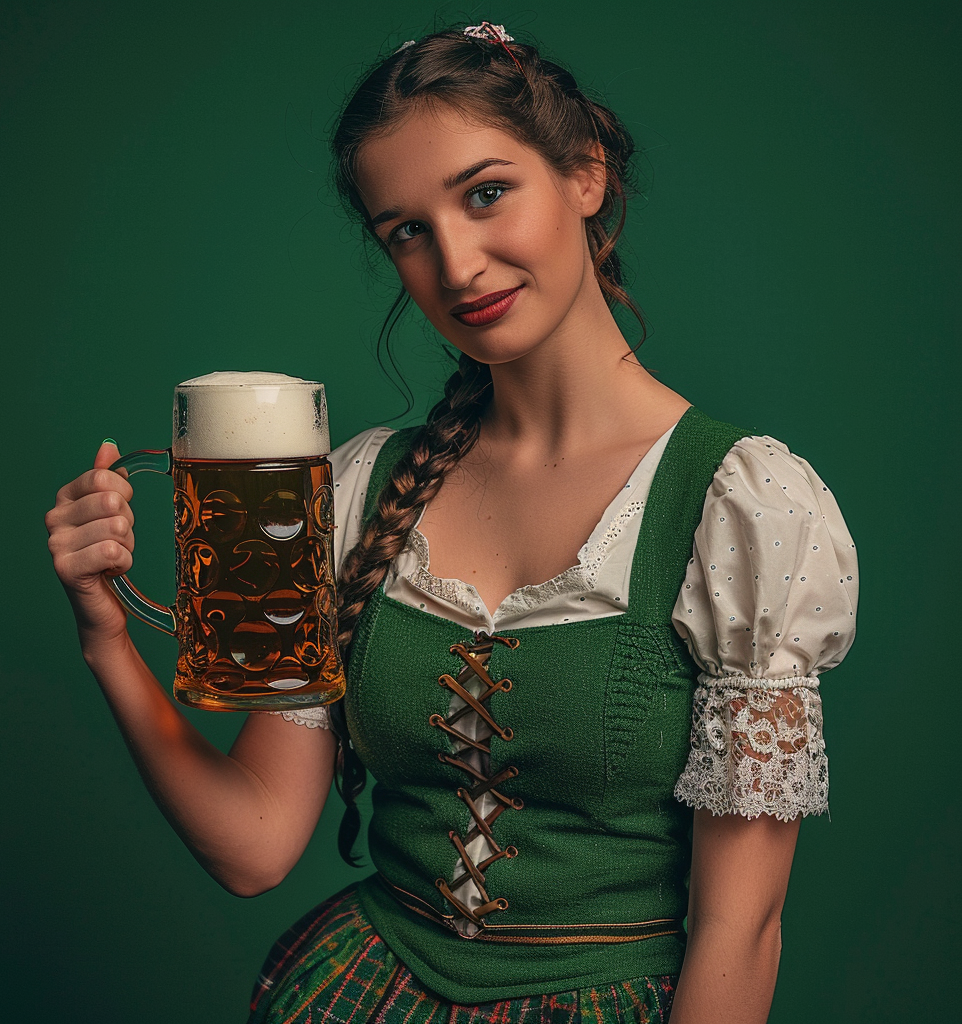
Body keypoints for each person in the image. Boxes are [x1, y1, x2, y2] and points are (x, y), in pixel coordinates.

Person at [45, 23, 858, 1024]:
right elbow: (254, 846)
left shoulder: (739, 507)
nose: (458, 262)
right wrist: (106, 638)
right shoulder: (357, 490)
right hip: (361, 992)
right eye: (407, 230)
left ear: (584, 174)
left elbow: (741, 928)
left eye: (484, 193)